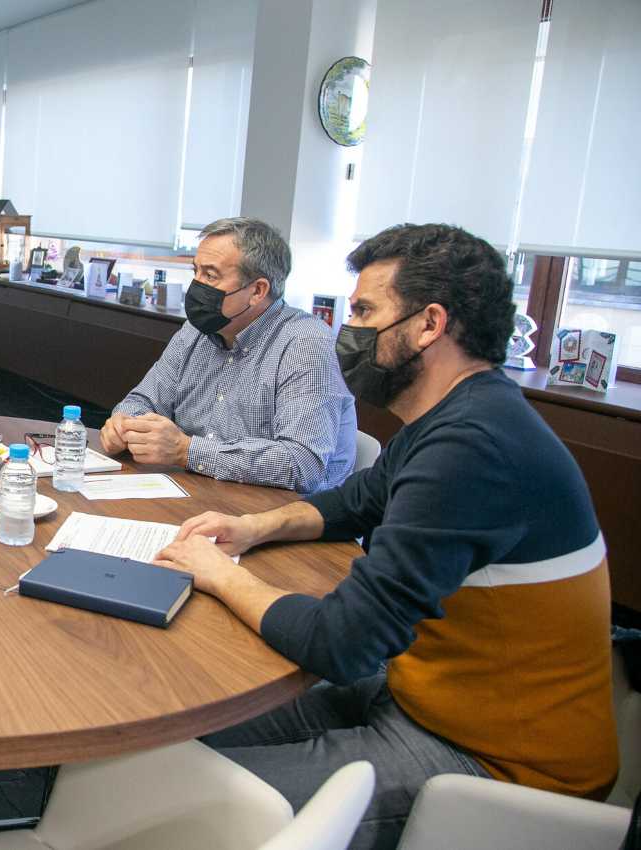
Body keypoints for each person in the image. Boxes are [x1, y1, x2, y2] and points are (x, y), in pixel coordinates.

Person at [155, 224, 616, 850]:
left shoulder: (472, 449)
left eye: (367, 313)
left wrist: (223, 573)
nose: (350, 332)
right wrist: (252, 526)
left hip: (496, 766)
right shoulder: (464, 416)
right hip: (416, 697)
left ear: (428, 325)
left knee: (180, 805)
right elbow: (354, 503)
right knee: (178, 737)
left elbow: (341, 643)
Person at [99, 218, 356, 494]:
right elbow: (143, 400)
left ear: (258, 291)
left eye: (210, 275)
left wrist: (187, 451)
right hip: (198, 493)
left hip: (280, 516)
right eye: (195, 271)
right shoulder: (195, 331)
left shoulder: (306, 344)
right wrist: (124, 426)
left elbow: (302, 464)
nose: (196, 286)